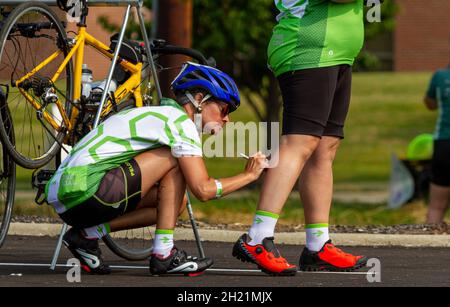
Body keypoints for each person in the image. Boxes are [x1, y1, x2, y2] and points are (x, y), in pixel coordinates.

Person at [45, 62, 268, 275]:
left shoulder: (159, 115)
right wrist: (249, 176)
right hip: (87, 192)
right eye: (224, 108)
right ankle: (163, 255)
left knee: (174, 203)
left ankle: (87, 235)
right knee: (177, 160)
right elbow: (203, 190)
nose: (227, 119)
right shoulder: (181, 124)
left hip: (67, 198)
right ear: (200, 99)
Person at [232, 0, 368, 275]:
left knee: (325, 147)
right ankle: (257, 237)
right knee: (300, 142)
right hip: (308, 49)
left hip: (336, 53)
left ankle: (318, 246)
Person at [424, 61, 450, 224]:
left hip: (444, 143)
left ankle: (428, 247)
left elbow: (430, 103)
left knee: (436, 206)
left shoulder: (440, 76)